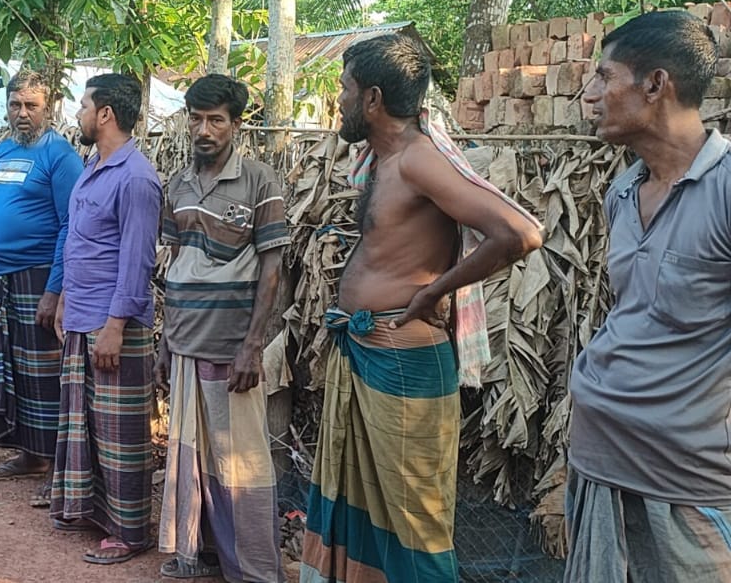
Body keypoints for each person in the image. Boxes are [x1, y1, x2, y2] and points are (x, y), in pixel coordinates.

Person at [298, 36, 544, 583]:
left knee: (415, 523)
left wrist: (435, 293)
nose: (338, 98)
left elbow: (521, 233)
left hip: (402, 357)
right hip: (369, 347)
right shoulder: (385, 161)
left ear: (373, 99)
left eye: (344, 87)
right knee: (367, 512)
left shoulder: (418, 160)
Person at [565, 11, 731, 582]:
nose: (589, 96)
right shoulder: (623, 190)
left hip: (688, 484)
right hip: (598, 464)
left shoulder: (726, 189)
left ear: (656, 84)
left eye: (603, 77)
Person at [154, 74, 290, 582]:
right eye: (196, 119)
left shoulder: (259, 181)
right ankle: (197, 553)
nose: (204, 130)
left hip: (232, 345)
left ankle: (256, 570)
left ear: (236, 124)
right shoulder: (178, 184)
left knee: (241, 467)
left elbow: (272, 267)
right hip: (186, 340)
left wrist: (253, 346)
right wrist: (166, 341)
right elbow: (176, 263)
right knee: (192, 457)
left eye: (216, 120)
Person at [50, 74, 162, 564]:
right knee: (86, 423)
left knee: (120, 432)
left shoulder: (136, 177)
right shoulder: (94, 167)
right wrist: (64, 300)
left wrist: (115, 326)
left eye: (83, 106)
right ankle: (96, 512)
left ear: (105, 114)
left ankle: (131, 531)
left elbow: (137, 259)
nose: (78, 115)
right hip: (82, 314)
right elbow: (79, 241)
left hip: (113, 323)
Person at [0, 70, 83, 508]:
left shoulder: (60, 155)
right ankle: (30, 455)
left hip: (37, 276)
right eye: (15, 104)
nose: (22, 113)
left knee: (45, 377)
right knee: (11, 372)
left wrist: (54, 290)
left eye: (31, 105)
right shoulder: (0, 152)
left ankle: (57, 468)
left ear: (48, 108)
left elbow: (70, 226)